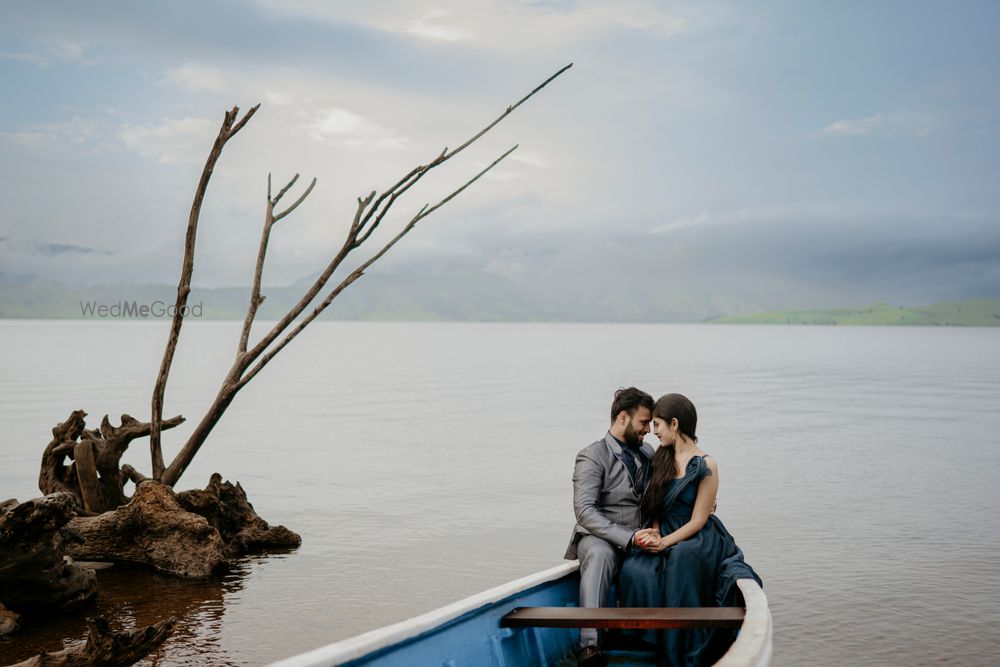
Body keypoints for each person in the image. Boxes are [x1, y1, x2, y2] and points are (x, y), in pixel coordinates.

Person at [619, 393, 762, 667]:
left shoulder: (706, 465)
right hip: (667, 530)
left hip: (698, 535)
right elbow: (656, 506)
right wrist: (656, 533)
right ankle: (649, 641)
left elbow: (698, 519)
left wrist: (666, 543)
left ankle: (683, 649)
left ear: (674, 424)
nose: (654, 432)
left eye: (658, 425)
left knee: (681, 558)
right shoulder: (660, 459)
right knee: (635, 568)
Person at [565, 387, 657, 667]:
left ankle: (652, 639)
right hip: (599, 537)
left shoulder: (649, 452)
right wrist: (629, 538)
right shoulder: (592, 455)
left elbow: (668, 487)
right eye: (643, 422)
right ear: (622, 417)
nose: (648, 430)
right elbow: (585, 512)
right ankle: (590, 646)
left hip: (641, 535)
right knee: (600, 555)